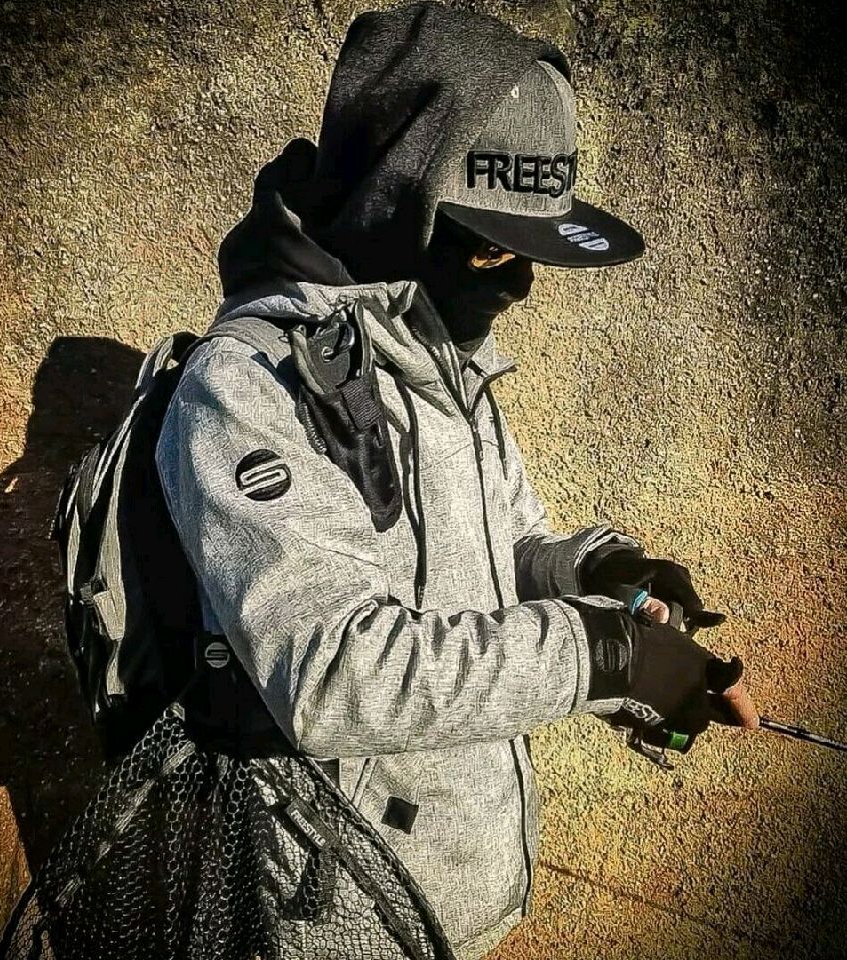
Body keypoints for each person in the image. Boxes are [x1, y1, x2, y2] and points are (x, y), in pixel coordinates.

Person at [154, 3, 758, 958]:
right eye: (489, 248)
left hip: (462, 897)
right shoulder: (245, 387)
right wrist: (601, 655)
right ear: (398, 207)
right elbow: (331, 674)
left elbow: (502, 552)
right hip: (339, 920)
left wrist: (602, 580)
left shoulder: (439, 353)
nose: (517, 285)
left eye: (530, 254)